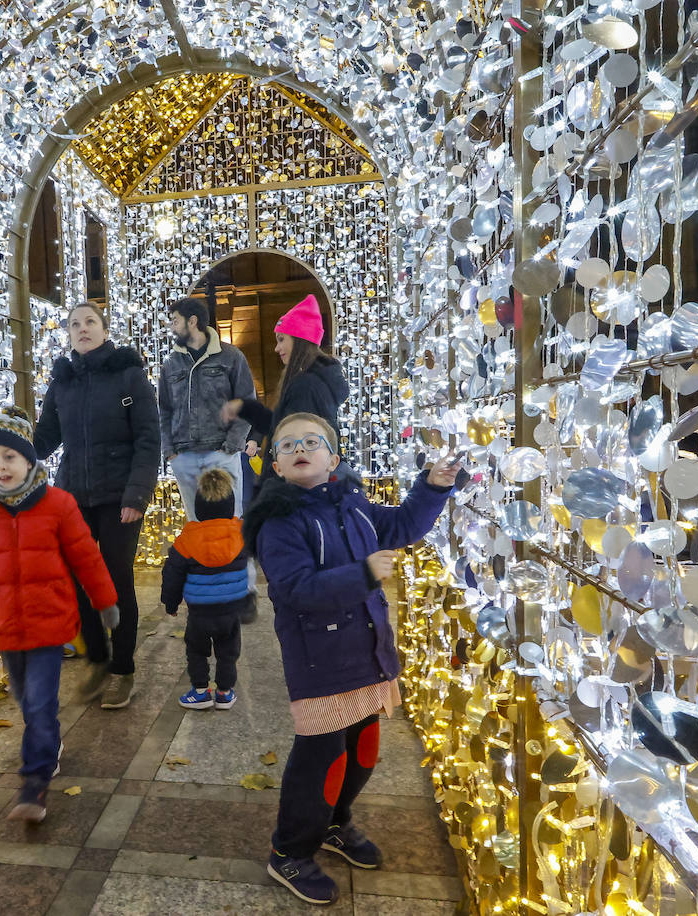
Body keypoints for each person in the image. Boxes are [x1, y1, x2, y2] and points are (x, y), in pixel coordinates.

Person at [242, 412, 459, 906]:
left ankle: (335, 823)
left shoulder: (353, 504)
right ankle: (290, 851)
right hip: (320, 663)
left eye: (312, 441)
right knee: (323, 760)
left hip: (368, 653)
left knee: (362, 751)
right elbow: (295, 590)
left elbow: (402, 524)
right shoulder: (278, 524)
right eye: (287, 444)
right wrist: (360, 574)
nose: (300, 447)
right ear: (275, 465)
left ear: (333, 459)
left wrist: (432, 487)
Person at [0, 408, 120, 823]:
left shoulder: (58, 504)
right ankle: (49, 744)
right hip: (3, 625)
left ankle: (34, 784)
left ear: (29, 460)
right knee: (27, 702)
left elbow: (86, 558)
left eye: (10, 457)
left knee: (39, 704)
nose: (0, 467)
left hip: (48, 622)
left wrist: (105, 600)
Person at [35, 302, 161, 710]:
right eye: (75, 324)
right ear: (69, 334)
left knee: (116, 579)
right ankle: (98, 659)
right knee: (78, 580)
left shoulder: (128, 373)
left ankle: (122, 669)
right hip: (74, 497)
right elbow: (43, 439)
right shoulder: (64, 380)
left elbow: (148, 438)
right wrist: (2, 430)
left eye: (90, 322)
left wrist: (137, 495)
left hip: (120, 497)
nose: (82, 329)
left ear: (104, 330)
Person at [159, 296, 261, 622]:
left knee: (233, 524)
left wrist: (232, 445)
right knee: (196, 527)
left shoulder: (231, 357)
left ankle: (246, 592)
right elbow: (162, 410)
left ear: (192, 321)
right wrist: (170, 451)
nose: (171, 327)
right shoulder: (170, 364)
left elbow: (247, 402)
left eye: (174, 320)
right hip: (185, 456)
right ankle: (207, 595)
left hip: (222, 453)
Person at [221, 294, 348, 486]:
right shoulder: (312, 382)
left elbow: (293, 440)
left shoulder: (305, 386)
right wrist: (245, 408)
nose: (276, 348)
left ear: (299, 340)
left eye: (281, 340)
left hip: (295, 491)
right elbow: (282, 427)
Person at [160, 468, 246, 711]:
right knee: (228, 651)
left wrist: (171, 603)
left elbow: (172, 573)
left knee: (196, 650)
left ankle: (200, 692)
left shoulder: (187, 539)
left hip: (200, 612)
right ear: (230, 506)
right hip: (231, 609)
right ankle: (225, 693)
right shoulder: (241, 535)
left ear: (198, 507)